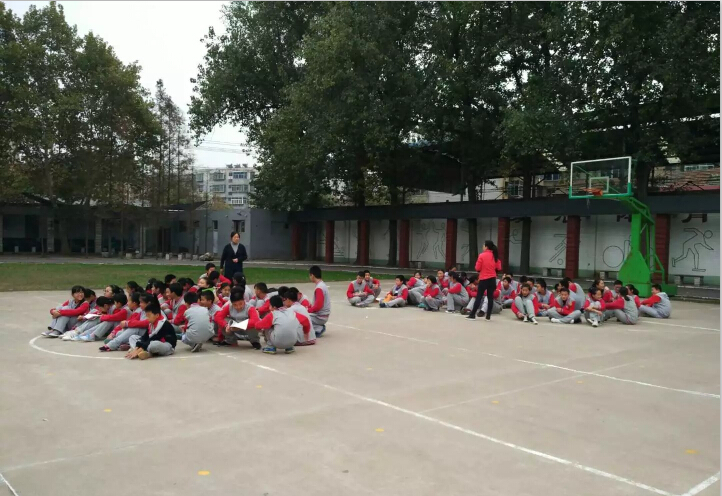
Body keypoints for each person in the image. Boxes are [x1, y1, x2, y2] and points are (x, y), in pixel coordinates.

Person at [467, 240, 502, 320]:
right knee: (490, 297)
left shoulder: (482, 255)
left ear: (486, 246)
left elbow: (477, 268)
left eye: (483, 245)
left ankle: (472, 314)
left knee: (479, 296)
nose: (482, 247)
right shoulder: (495, 255)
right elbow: (499, 268)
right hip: (492, 278)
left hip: (483, 278)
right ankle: (488, 316)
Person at [308, 266, 331, 336]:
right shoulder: (322, 285)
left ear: (312, 275)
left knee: (301, 318)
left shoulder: (319, 288)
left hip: (320, 316)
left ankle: (318, 328)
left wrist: (308, 310)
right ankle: (317, 326)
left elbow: (318, 306)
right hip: (323, 315)